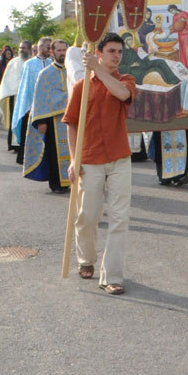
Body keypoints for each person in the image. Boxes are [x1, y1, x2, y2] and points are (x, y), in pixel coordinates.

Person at [65, 33, 137, 294]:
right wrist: (74, 160)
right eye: (111, 51)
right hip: (91, 160)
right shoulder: (81, 87)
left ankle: (112, 276)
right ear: (99, 52)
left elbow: (121, 94)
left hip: (120, 158)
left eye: (119, 52)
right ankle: (86, 259)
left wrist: (99, 71)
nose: (117, 56)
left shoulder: (126, 80)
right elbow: (72, 124)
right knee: (88, 216)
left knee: (120, 219)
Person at [24, 39, 71, 193]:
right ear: (52, 52)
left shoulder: (73, 71)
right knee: (54, 153)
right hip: (53, 120)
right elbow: (40, 99)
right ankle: (57, 184)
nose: (62, 53)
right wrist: (41, 122)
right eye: (59, 50)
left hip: (72, 118)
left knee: (73, 151)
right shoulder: (45, 74)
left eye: (64, 50)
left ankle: (71, 181)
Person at [12, 38, 52, 163]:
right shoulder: (29, 64)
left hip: (49, 105)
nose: (50, 50)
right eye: (47, 47)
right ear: (40, 47)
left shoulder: (51, 62)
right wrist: (28, 105)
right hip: (31, 105)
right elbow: (25, 87)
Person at [0, 41, 31, 155]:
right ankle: (15, 144)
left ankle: (27, 143)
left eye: (24, 48)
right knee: (15, 120)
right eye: (20, 48)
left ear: (29, 49)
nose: (22, 50)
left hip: (29, 97)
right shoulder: (13, 62)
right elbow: (8, 79)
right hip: (15, 96)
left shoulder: (33, 62)